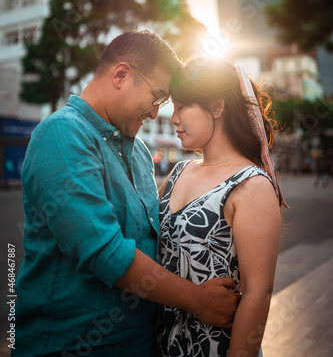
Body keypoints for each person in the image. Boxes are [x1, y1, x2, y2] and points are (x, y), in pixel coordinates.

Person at [13, 31, 239, 357]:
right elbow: (104, 252)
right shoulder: (62, 134)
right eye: (156, 98)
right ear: (121, 75)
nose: (153, 114)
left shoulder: (140, 152)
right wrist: (197, 299)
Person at [158, 57, 288, 357]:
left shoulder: (251, 185)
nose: (173, 118)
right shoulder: (179, 172)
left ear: (217, 106)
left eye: (182, 106)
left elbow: (258, 294)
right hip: (163, 344)